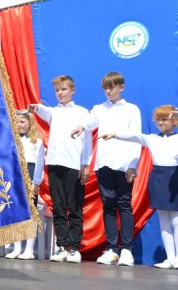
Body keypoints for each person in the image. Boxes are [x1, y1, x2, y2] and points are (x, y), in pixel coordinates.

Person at [70, 72, 141, 266]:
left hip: (124, 164)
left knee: (124, 204)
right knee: (108, 205)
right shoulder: (99, 108)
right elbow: (90, 121)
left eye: (112, 87)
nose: (108, 91)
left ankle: (127, 249)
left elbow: (136, 138)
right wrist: (81, 127)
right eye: (106, 88)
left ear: (121, 87)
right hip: (104, 164)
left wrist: (132, 166)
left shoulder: (131, 109)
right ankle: (112, 249)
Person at [102, 105, 178, 269]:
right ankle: (171, 258)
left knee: (176, 220)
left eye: (165, 119)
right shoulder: (153, 139)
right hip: (159, 179)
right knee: (164, 219)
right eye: (158, 120)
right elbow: (135, 136)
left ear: (174, 121)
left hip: (174, 178)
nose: (161, 123)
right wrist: (115, 134)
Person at [28, 75, 92, 263]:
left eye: (64, 89)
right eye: (57, 90)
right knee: (58, 206)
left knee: (74, 206)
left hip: (74, 165)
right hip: (55, 164)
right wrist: (36, 108)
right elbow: (43, 110)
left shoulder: (81, 112)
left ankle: (75, 248)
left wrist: (85, 163)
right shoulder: (54, 112)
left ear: (73, 90)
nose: (60, 93)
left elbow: (87, 139)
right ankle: (63, 246)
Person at [6, 110, 45, 260]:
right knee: (16, 213)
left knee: (30, 213)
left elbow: (40, 163)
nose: (20, 125)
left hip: (30, 171)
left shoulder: (37, 141)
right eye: (17, 122)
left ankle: (29, 249)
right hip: (15, 174)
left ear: (30, 123)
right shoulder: (13, 140)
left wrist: (36, 182)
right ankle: (16, 248)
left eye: (23, 122)